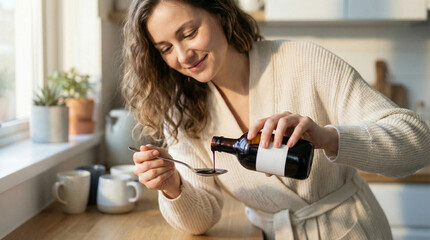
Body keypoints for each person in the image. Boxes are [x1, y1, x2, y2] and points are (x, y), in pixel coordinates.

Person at [121, 0, 430, 239]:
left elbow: (418, 142)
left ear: (219, 12)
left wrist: (328, 138)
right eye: (166, 49)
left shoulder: (304, 61)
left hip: (350, 230)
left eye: (189, 34)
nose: (183, 55)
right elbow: (201, 219)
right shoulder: (183, 110)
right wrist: (172, 185)